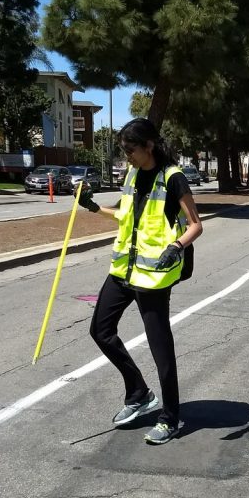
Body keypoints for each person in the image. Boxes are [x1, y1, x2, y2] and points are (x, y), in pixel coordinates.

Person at [81, 117, 203, 445]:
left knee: (160, 347)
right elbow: (126, 214)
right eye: (124, 151)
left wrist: (177, 246)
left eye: (131, 150)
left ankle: (171, 417)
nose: (127, 157)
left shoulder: (172, 177)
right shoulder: (134, 174)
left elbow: (196, 224)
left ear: (149, 145)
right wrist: (94, 208)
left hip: (152, 277)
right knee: (100, 331)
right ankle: (138, 392)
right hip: (123, 270)